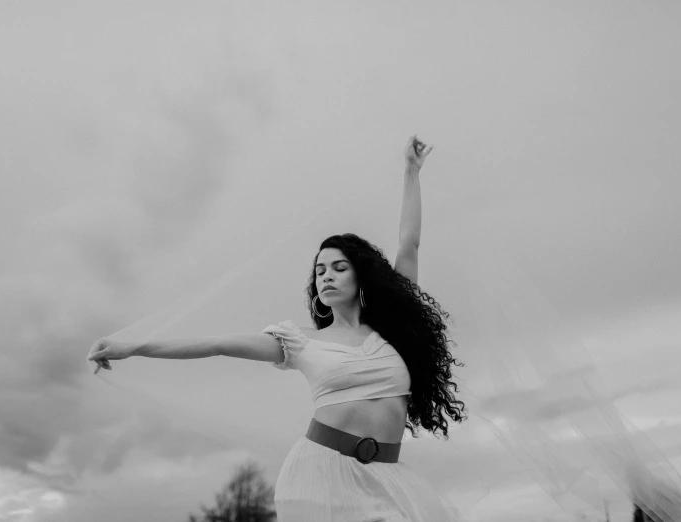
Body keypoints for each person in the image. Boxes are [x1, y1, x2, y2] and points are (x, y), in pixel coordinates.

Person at [87, 135, 467, 521]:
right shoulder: (300, 343)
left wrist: (411, 172)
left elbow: (410, 245)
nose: (326, 277)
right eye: (319, 270)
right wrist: (133, 346)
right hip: (322, 475)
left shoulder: (397, 330)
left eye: (339, 267)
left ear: (362, 274)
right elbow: (217, 343)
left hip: (388, 476)